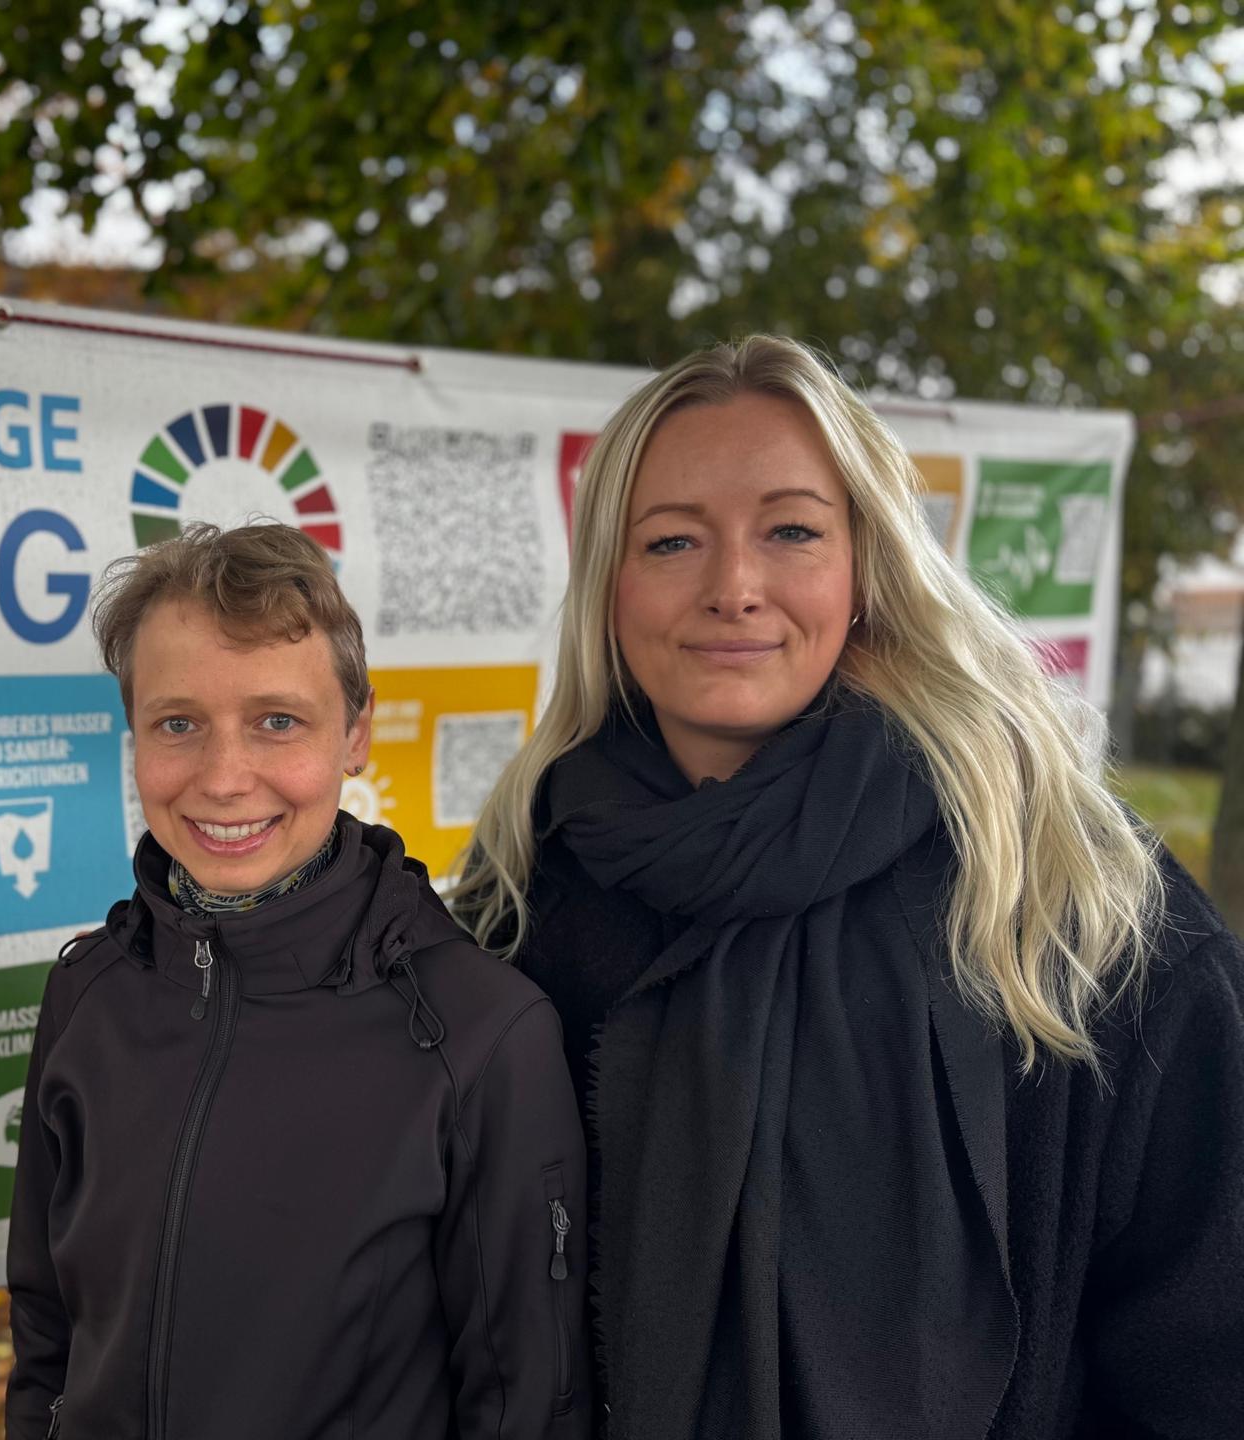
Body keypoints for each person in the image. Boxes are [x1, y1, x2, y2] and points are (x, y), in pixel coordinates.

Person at [455, 335, 1244, 1439]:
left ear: (865, 564)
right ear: (609, 585)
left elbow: (1208, 1347)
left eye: (791, 531)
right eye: (673, 540)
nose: (735, 588)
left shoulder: (1072, 899)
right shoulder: (526, 895)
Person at [5, 520, 590, 1440]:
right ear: (134, 736)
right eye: (178, 724)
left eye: (277, 722)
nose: (225, 777)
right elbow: (47, 1329)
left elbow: (525, 1401)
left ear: (355, 734)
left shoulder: (480, 1034)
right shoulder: (88, 996)